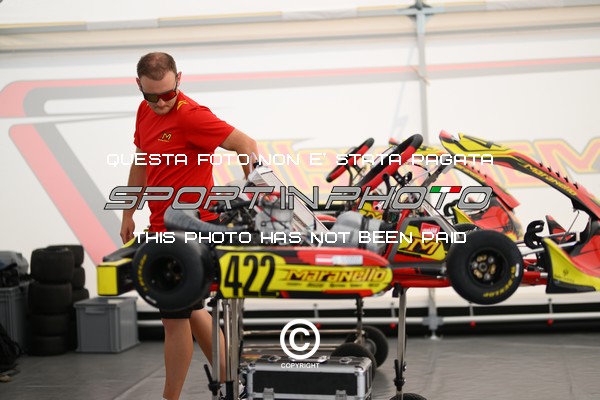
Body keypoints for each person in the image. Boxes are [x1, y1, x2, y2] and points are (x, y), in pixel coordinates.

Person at [120, 52, 258, 400]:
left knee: (174, 319)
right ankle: (236, 384)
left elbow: (246, 145)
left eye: (168, 94)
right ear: (139, 86)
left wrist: (257, 196)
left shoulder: (191, 115)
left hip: (191, 231)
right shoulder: (145, 112)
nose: (161, 103)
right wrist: (128, 212)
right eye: (152, 96)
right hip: (161, 229)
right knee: (194, 311)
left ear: (179, 79)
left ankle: (171, 398)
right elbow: (141, 162)